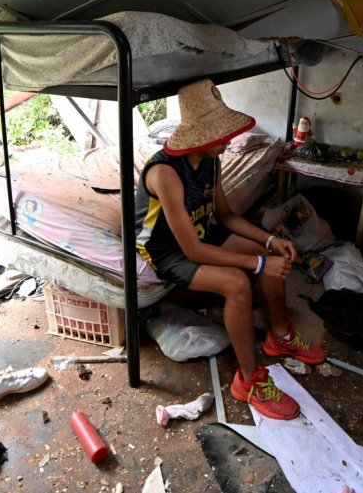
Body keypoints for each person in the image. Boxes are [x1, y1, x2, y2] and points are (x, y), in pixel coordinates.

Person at [135, 79, 325, 420]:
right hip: (168, 251)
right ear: (201, 136)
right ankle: (248, 381)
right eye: (221, 136)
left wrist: (270, 241)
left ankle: (279, 336)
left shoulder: (210, 162)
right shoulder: (164, 172)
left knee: (270, 255)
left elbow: (224, 215)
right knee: (238, 283)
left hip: (198, 234)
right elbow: (191, 250)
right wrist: (255, 264)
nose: (228, 141)